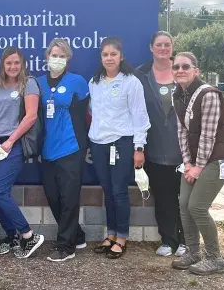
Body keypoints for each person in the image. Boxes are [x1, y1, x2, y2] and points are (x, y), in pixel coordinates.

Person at [88, 37, 151, 259]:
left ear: (121, 56)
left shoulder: (131, 82)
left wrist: (139, 147)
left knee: (119, 191)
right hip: (98, 144)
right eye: (105, 54)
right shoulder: (94, 83)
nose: (109, 58)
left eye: (113, 54)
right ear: (101, 58)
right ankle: (111, 234)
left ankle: (122, 237)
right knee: (108, 191)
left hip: (122, 143)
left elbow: (140, 116)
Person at [171, 52, 224, 275]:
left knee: (197, 206)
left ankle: (215, 259)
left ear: (196, 71)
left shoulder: (209, 94)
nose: (180, 70)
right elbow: (181, 133)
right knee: (184, 204)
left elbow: (208, 135)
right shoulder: (178, 95)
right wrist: (187, 163)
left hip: (218, 159)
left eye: (186, 66)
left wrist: (198, 166)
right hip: (194, 161)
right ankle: (193, 252)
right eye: (176, 67)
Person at [0, 47, 44, 259]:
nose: (12, 67)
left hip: (15, 144)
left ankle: (28, 235)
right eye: (8, 63)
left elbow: (31, 116)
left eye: (16, 63)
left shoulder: (28, 83)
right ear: (2, 64)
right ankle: (12, 236)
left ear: (22, 64)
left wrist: (10, 141)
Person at [135, 31, 186, 257]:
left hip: (184, 149)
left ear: (172, 47)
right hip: (154, 147)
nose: (163, 48)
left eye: (167, 44)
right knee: (163, 198)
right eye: (159, 45)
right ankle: (168, 240)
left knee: (185, 199)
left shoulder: (184, 71)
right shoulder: (141, 75)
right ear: (151, 48)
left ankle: (186, 241)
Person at [37, 38, 89, 262]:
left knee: (69, 198)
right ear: (46, 57)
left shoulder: (78, 81)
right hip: (47, 149)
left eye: (61, 56)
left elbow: (85, 113)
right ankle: (77, 235)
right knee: (53, 196)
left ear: (67, 59)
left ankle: (65, 246)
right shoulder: (37, 83)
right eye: (53, 55)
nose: (56, 59)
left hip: (71, 147)